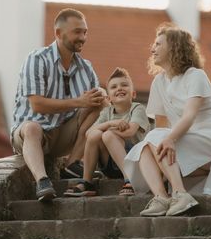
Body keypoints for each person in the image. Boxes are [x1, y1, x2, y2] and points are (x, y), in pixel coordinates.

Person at [124, 23, 211, 217]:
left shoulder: (196, 76)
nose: (153, 48)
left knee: (158, 137)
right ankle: (162, 197)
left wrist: (169, 139)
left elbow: (190, 115)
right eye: (153, 44)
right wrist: (161, 153)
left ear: (174, 47)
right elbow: (160, 126)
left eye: (159, 44)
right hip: (188, 141)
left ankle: (180, 193)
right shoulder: (159, 82)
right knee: (144, 147)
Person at [10, 8, 106, 202]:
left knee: (99, 102)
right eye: (77, 32)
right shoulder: (37, 59)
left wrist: (101, 94)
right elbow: (37, 105)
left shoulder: (85, 67)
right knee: (32, 128)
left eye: (85, 32)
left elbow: (98, 98)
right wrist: (79, 102)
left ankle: (73, 164)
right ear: (58, 34)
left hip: (62, 134)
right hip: (32, 136)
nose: (83, 37)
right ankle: (42, 181)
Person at [63, 68, 151, 197]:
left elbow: (130, 132)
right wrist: (111, 123)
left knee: (107, 134)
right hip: (111, 166)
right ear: (109, 98)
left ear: (133, 94)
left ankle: (130, 179)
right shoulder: (106, 112)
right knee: (95, 135)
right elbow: (89, 133)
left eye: (124, 85)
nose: (119, 88)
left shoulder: (138, 108)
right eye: (114, 87)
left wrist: (107, 131)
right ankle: (87, 182)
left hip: (135, 162)